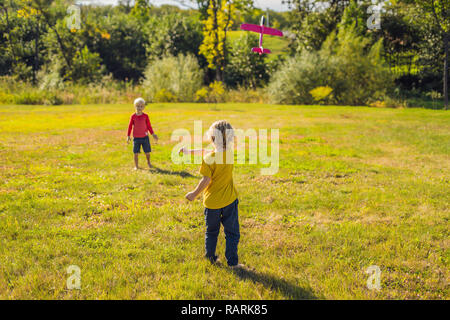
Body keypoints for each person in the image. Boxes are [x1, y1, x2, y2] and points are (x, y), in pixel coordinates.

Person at [182, 120, 243, 268]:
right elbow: (209, 151)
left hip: (212, 204)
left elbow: (206, 179)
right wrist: (190, 152)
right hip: (229, 200)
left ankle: (210, 258)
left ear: (212, 138)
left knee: (211, 231)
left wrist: (194, 194)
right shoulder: (229, 153)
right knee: (232, 233)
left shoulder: (209, 159)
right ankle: (233, 263)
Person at [127, 98, 158, 170]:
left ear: (143, 107)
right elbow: (130, 126)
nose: (139, 108)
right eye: (138, 106)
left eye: (141, 106)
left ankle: (148, 162)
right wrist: (128, 136)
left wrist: (153, 134)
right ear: (135, 106)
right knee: (135, 153)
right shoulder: (133, 116)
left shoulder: (145, 116)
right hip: (136, 138)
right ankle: (136, 166)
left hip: (145, 137)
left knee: (147, 152)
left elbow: (149, 126)